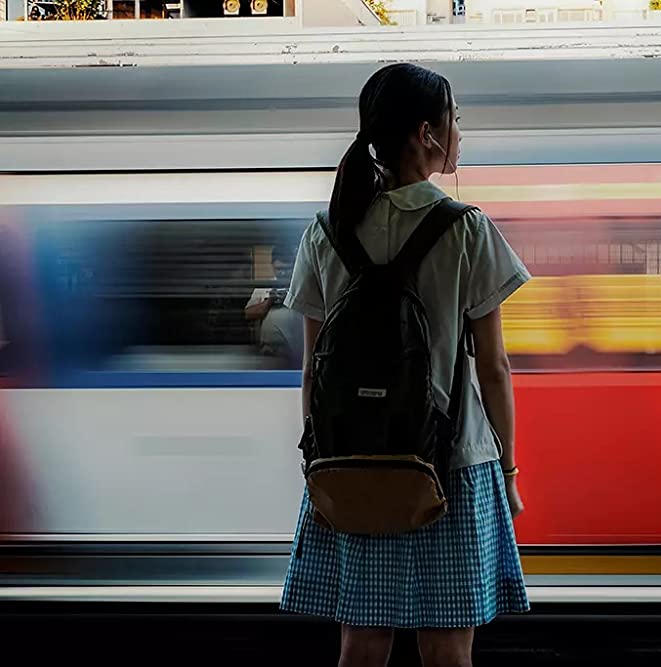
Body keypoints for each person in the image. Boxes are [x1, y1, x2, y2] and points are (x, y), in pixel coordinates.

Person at [278, 63, 531, 667]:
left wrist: (320, 458)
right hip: (453, 463)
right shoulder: (467, 229)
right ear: (426, 133)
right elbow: (492, 367)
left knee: (362, 641)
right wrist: (512, 471)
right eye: (454, 119)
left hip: (354, 459)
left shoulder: (327, 230)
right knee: (448, 643)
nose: (459, 132)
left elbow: (314, 368)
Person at [244, 246, 302, 367]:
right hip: (272, 351)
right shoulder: (265, 287)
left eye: (286, 269)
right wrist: (270, 300)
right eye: (278, 268)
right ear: (272, 265)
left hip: (298, 350)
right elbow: (248, 314)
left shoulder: (301, 286)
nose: (282, 272)